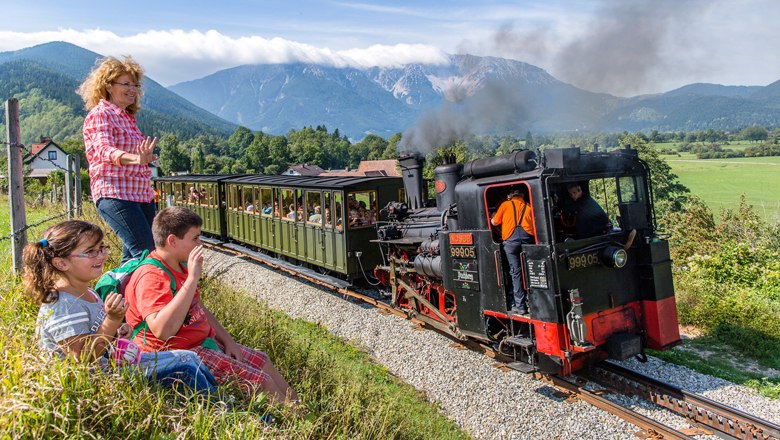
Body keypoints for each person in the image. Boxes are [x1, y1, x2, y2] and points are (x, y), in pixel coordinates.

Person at [123, 207, 298, 404]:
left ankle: (303, 414)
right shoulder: (152, 276)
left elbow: (198, 308)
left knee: (262, 361)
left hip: (201, 344)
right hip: (179, 354)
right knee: (261, 382)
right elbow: (163, 331)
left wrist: (228, 341)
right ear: (172, 241)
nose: (200, 244)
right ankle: (300, 427)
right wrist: (192, 278)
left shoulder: (179, 266)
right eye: (195, 238)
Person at [23, 220, 217, 393]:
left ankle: (220, 397)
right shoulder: (64, 305)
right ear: (61, 263)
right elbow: (81, 357)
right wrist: (113, 319)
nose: (102, 255)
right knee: (185, 366)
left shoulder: (87, 293)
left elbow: (96, 334)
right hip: (94, 384)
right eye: (91, 251)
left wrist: (117, 332)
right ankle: (217, 408)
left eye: (101, 248)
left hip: (110, 366)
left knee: (188, 357)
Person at [78, 56, 158, 264]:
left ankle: (118, 295)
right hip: (116, 194)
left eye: (135, 85)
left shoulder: (127, 118)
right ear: (108, 86)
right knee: (146, 254)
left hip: (141, 195)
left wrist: (147, 158)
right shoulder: (100, 114)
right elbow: (104, 150)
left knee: (134, 259)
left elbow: (138, 156)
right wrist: (136, 158)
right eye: (126, 84)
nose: (133, 89)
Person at [491, 188, 535, 315]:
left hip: (511, 241)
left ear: (510, 196)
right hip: (527, 239)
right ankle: (531, 301)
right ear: (522, 196)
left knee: (515, 272)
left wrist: (493, 217)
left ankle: (520, 306)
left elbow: (494, 222)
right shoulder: (528, 206)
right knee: (529, 269)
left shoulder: (505, 205)